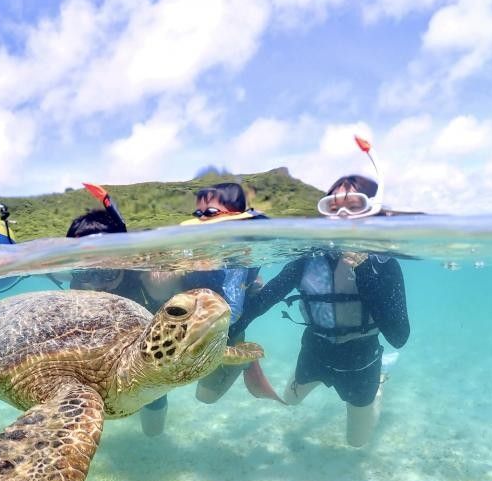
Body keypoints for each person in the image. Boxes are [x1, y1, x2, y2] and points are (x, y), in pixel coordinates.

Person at [232, 174, 410, 447]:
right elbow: (266, 298)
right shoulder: (308, 259)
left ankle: (377, 388)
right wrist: (229, 328)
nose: (341, 215)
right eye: (332, 207)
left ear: (370, 213)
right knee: (288, 400)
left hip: (361, 361)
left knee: (357, 442)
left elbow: (398, 336)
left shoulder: (382, 264)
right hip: (316, 351)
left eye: (354, 206)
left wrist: (363, 271)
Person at [66, 207, 180, 436]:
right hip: (105, 355)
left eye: (107, 273)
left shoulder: (149, 279)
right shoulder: (81, 284)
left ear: (123, 262)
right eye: (88, 274)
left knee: (153, 432)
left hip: (147, 356)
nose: (98, 284)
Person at [179, 182, 279, 404]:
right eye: (198, 213)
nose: (202, 219)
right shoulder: (195, 250)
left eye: (211, 212)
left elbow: (269, 228)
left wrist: (248, 215)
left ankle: (245, 360)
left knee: (205, 397)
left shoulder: (247, 243)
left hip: (229, 331)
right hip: (195, 331)